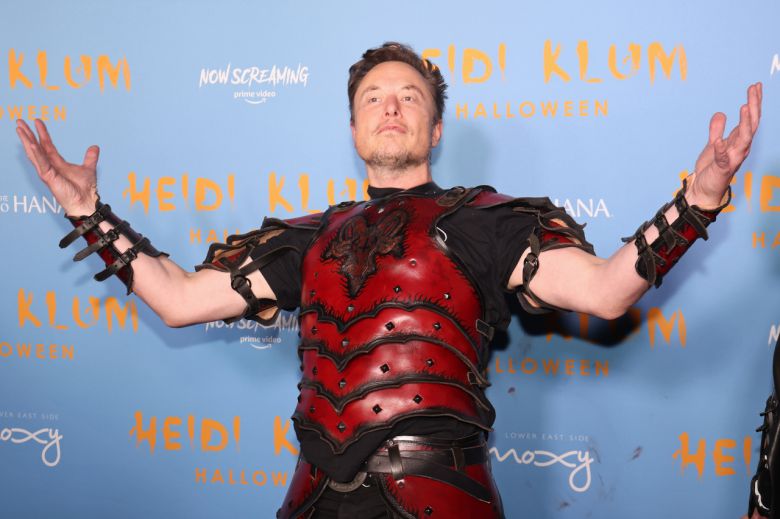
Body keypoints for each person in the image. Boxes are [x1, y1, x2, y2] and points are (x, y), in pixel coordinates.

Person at [16, 42, 761, 519]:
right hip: (312, 500)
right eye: (373, 97)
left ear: (436, 129)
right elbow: (177, 299)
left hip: (442, 497)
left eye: (409, 94)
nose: (391, 105)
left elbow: (604, 291)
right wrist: (88, 213)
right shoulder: (308, 238)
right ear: (354, 130)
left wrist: (696, 201)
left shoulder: (487, 222)